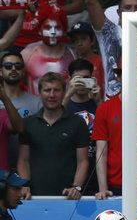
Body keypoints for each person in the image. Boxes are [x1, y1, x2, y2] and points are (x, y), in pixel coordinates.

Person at [17, 71, 90, 199]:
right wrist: (24, 184)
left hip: (67, 195)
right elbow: (23, 160)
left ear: (64, 92)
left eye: (56, 90)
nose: (52, 95)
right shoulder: (28, 123)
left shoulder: (78, 123)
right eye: (47, 90)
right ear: (39, 93)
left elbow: (83, 160)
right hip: (34, 196)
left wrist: (76, 187)